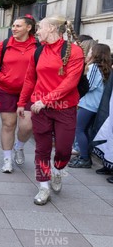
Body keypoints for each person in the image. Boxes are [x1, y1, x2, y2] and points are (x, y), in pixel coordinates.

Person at [17, 15, 84, 205]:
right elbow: (30, 79)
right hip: (40, 109)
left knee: (63, 149)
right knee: (42, 149)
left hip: (64, 108)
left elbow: (71, 82)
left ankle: (58, 170)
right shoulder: (37, 52)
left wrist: (47, 100)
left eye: (39, 28)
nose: (36, 31)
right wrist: (22, 103)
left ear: (52, 29)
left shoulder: (75, 52)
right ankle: (43, 186)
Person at [0, 15, 40, 172]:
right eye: (13, 26)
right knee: (8, 124)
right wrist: (3, 79)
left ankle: (20, 146)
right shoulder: (4, 45)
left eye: (18, 26)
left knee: (26, 126)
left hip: (30, 92)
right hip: (7, 90)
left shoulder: (38, 46)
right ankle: (7, 159)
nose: (14, 29)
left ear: (28, 28)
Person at [68, 43, 111, 168]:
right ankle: (84, 156)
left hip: (89, 105)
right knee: (84, 130)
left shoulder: (93, 67)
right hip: (95, 105)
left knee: (79, 129)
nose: (89, 53)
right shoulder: (105, 68)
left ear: (96, 53)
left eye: (91, 51)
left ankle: (85, 158)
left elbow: (89, 86)